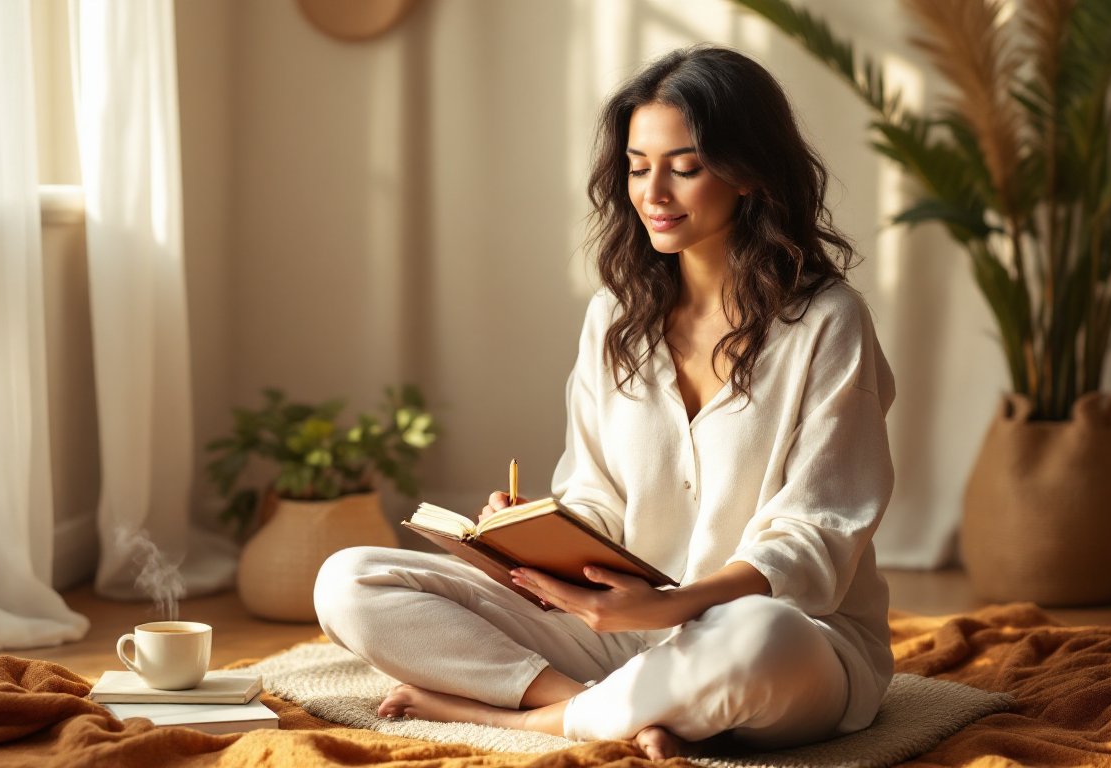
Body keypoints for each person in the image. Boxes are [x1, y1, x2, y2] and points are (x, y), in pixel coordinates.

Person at [314, 44, 894, 760]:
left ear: (747, 173)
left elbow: (819, 534)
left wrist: (674, 606)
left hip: (783, 635)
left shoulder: (829, 321)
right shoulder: (616, 316)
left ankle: (525, 721)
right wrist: (531, 538)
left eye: (684, 167)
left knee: (761, 639)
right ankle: (600, 705)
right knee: (349, 580)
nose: (653, 192)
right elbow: (596, 499)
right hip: (615, 631)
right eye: (637, 166)